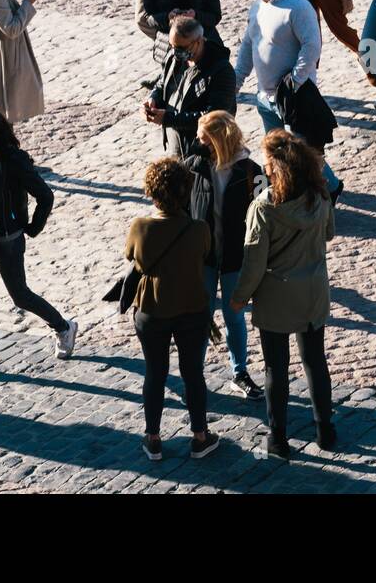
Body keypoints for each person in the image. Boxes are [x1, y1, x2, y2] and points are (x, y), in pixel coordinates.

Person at [231, 130, 336, 458]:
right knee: (315, 361)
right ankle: (325, 430)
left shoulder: (264, 207)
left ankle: (278, 438)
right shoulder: (320, 195)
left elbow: (254, 262)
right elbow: (329, 233)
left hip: (277, 294)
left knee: (276, 367)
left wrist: (239, 298)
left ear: (276, 167)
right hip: (313, 290)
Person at [0, 103, 76, 381]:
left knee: (20, 295)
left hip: (8, 238)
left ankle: (63, 327)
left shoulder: (12, 160)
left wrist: (32, 228)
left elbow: (45, 196)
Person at [125, 157, 220, 461]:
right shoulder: (199, 229)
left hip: (151, 309)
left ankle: (153, 438)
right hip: (192, 309)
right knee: (193, 373)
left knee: (155, 373)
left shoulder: (140, 227)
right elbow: (205, 255)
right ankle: (200, 437)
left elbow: (132, 257)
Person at [233, 0, 343, 197]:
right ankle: (289, 192)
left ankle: (331, 187)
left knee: (303, 151)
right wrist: (236, 82)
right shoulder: (258, 6)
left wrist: (293, 82)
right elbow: (248, 46)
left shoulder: (298, 7)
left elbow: (311, 46)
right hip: (264, 98)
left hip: (293, 98)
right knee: (275, 153)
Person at [186, 110, 265, 400]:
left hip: (235, 257)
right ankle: (195, 373)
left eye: (203, 139)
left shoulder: (252, 171)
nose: (198, 144)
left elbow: (264, 215)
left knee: (234, 316)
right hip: (203, 256)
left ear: (219, 141)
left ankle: (239, 371)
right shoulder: (194, 166)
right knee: (201, 315)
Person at [143, 19, 237, 157]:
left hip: (206, 151)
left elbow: (213, 118)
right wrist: (153, 98)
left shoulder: (221, 71)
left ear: (198, 41)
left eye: (181, 48)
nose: (175, 52)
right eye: (172, 46)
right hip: (176, 145)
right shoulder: (173, 57)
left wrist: (168, 119)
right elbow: (162, 83)